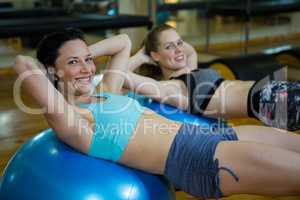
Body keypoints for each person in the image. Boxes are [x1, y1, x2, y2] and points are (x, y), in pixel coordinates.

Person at [13, 28, 300, 199]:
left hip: (214, 135)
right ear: (52, 69)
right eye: (74, 62)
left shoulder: (108, 91)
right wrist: (56, 70)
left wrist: (82, 54)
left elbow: (124, 41)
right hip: (197, 160)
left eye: (89, 60)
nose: (88, 68)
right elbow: (23, 64)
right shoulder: (72, 118)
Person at [126, 24, 300, 131]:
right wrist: (141, 56)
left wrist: (165, 40)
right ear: (155, 56)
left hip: (275, 92)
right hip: (271, 101)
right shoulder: (169, 89)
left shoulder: (190, 69)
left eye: (179, 43)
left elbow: (191, 50)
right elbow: (119, 76)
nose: (179, 49)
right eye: (169, 47)